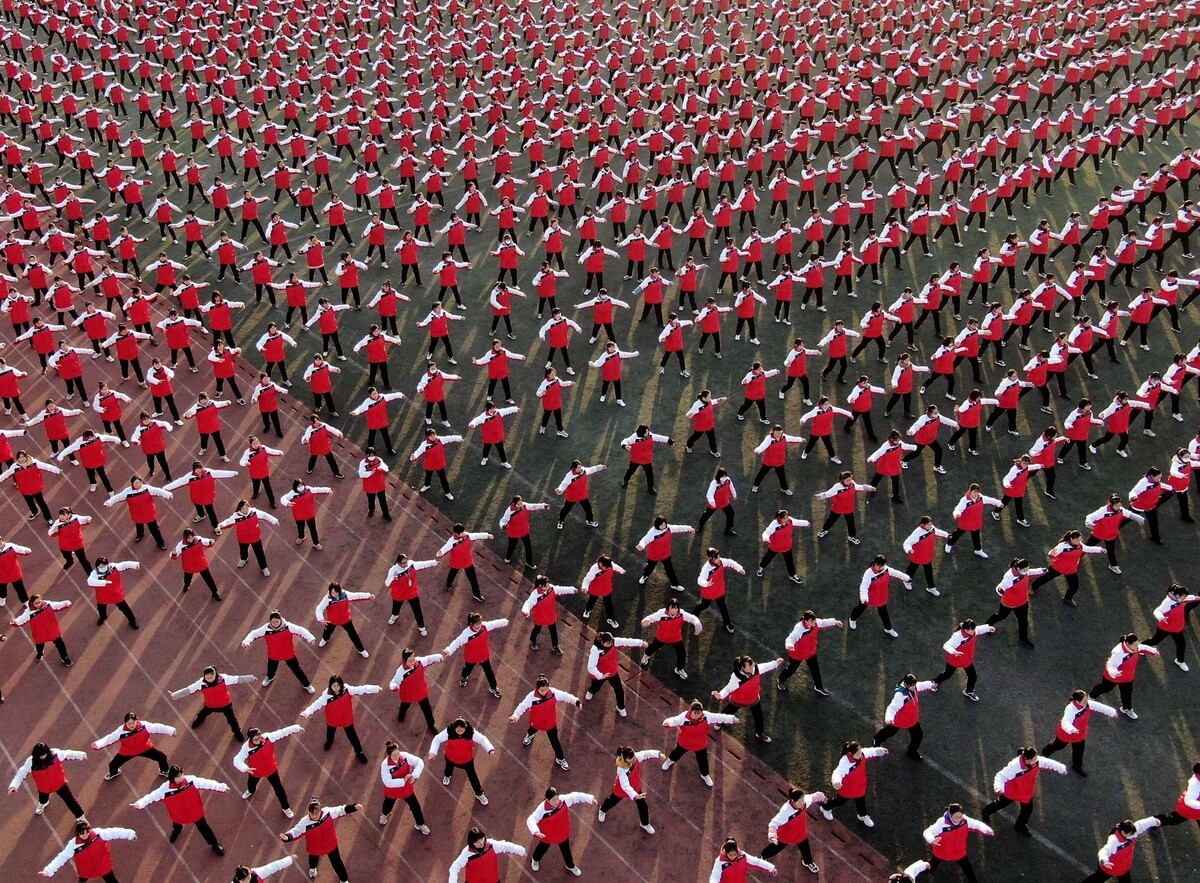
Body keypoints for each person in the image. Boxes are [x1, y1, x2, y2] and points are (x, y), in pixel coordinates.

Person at [131, 764, 228, 855]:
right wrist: (139, 803)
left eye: (182, 774)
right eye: (178, 776)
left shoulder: (191, 781)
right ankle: (177, 831)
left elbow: (207, 783)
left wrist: (221, 787)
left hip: (195, 811)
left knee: (205, 829)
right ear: (172, 777)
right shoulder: (165, 789)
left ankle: (215, 845)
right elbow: (152, 796)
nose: (181, 777)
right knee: (177, 825)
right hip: (178, 815)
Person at [981, 747, 1068, 833]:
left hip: (1026, 792)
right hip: (1012, 791)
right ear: (1027, 760)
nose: (1037, 760)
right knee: (1001, 803)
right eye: (1034, 759)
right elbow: (1001, 776)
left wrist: (1062, 769)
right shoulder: (1015, 766)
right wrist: (998, 787)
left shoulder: (1036, 761)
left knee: (1027, 810)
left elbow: (1049, 763)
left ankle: (1020, 825)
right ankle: (987, 811)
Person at [299, 675, 380, 763]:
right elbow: (316, 705)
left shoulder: (347, 689)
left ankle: (359, 752)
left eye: (338, 685)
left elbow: (361, 689)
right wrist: (306, 713)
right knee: (330, 733)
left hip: (347, 720)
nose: (336, 688)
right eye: (334, 686)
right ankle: (329, 741)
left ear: (341, 685)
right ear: (330, 685)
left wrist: (375, 688)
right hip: (333, 720)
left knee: (353, 737)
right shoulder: (326, 696)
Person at [280, 799, 362, 883]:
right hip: (314, 846)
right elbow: (296, 831)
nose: (314, 816)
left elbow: (340, 810)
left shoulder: (328, 812)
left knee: (337, 863)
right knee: (313, 859)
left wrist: (353, 807)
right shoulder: (304, 822)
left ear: (320, 810)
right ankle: (312, 868)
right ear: (309, 812)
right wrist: (287, 837)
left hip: (331, 844)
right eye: (312, 813)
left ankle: (344, 880)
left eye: (316, 813)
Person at [510, 675, 583, 770]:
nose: (544, 692)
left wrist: (576, 701)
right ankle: (529, 735)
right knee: (532, 730)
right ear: (537, 688)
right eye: (542, 690)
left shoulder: (553, 693)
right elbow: (522, 707)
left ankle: (560, 758)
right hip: (536, 721)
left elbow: (565, 696)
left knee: (555, 741)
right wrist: (515, 716)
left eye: (546, 690)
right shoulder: (531, 697)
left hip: (550, 723)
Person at [661, 700, 738, 787]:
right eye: (695, 713)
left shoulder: (706, 716)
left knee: (703, 760)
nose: (697, 715)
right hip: (685, 742)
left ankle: (705, 775)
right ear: (691, 711)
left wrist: (732, 719)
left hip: (700, 744)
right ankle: (669, 761)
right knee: (677, 753)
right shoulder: (683, 717)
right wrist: (668, 722)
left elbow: (718, 717)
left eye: (699, 713)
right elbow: (673, 720)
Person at [233, 725, 302, 819]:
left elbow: (282, 732)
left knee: (279, 790)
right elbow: (237, 760)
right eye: (255, 739)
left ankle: (286, 808)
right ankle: (250, 791)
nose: (258, 741)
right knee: (251, 784)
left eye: (259, 738)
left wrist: (297, 728)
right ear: (250, 739)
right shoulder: (246, 748)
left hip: (271, 769)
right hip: (256, 771)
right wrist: (245, 768)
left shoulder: (267, 737)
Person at [169, 666, 255, 741]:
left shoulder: (223, 679)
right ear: (204, 676)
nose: (209, 679)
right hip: (210, 705)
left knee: (232, 720)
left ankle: (237, 732)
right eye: (207, 678)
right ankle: (198, 721)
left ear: (215, 674)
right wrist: (175, 695)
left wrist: (251, 678)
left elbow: (237, 679)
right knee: (202, 714)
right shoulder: (201, 683)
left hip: (225, 704)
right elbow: (189, 689)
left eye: (211, 677)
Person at [712, 654, 785, 743]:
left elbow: (765, 666)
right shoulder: (736, 678)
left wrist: (775, 663)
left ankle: (759, 733)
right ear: (742, 668)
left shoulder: (755, 669)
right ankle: (719, 721)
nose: (752, 667)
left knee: (759, 718)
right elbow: (728, 689)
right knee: (728, 712)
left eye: (752, 664)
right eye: (749, 666)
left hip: (753, 699)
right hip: (738, 700)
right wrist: (720, 695)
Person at [7, 742, 87, 819]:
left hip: (60, 784)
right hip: (43, 788)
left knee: (70, 801)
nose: (43, 757)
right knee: (43, 799)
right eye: (40, 755)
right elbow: (21, 773)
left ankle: (80, 816)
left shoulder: (55, 754)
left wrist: (81, 755)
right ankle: (43, 803)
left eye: (44, 754)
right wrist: (14, 786)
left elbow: (68, 754)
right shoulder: (31, 762)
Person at [240, 610, 316, 691]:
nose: (275, 623)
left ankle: (306, 684)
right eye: (273, 622)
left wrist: (310, 638)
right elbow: (254, 633)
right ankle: (270, 677)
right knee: (271, 669)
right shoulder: (265, 629)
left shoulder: (288, 626)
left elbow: (301, 630)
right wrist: (247, 641)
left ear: (280, 619)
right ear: (270, 621)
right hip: (273, 654)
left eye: (277, 621)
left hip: (288, 654)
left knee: (297, 670)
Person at [1088, 634, 1160, 719]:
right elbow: (1110, 664)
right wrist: (1114, 673)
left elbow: (1142, 647)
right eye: (1135, 645)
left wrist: (1153, 651)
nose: (1137, 647)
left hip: (1127, 677)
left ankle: (1126, 708)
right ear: (1128, 644)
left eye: (1137, 644)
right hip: (1114, 677)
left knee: (1127, 693)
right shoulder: (1119, 653)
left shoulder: (1135, 647)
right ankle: (1091, 696)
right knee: (1105, 688)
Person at [526, 787, 595, 875]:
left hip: (562, 833)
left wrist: (590, 799)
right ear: (547, 800)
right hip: (548, 835)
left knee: (566, 851)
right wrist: (536, 831)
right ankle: (535, 859)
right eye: (554, 800)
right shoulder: (542, 809)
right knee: (542, 848)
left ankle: (570, 865)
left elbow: (576, 796)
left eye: (557, 798)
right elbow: (531, 819)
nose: (556, 801)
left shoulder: (563, 800)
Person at [40, 819, 137, 881]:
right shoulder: (73, 845)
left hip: (103, 866)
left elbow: (115, 832)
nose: (85, 835)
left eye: (86, 832)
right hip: (86, 871)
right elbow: (62, 857)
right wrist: (49, 870)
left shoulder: (99, 834)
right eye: (82, 833)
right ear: (78, 834)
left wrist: (130, 834)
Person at [820, 741, 889, 827]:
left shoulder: (861, 754)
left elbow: (870, 751)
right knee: (839, 801)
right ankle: (825, 808)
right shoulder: (845, 762)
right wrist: (836, 781)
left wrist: (881, 750)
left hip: (859, 786)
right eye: (857, 753)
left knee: (861, 802)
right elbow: (838, 772)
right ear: (850, 753)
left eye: (860, 751)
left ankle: (862, 815)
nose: (860, 754)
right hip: (848, 788)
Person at [597, 746, 665, 833]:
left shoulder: (635, 757)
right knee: (612, 801)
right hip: (621, 790)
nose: (633, 761)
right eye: (630, 760)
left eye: (633, 758)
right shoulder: (621, 769)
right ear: (624, 759)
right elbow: (625, 785)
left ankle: (644, 823)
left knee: (643, 805)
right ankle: (602, 810)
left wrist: (658, 754)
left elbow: (646, 754)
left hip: (635, 787)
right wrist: (635, 795)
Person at [428, 717, 495, 804]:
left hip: (466, 760)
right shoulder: (449, 731)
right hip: (451, 757)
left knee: (473, 777)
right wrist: (433, 752)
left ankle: (479, 793)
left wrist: (490, 749)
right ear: (454, 728)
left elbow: (482, 739)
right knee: (448, 768)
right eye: (458, 731)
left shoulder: (471, 732)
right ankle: (447, 776)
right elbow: (437, 739)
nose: (460, 732)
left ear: (465, 728)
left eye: (462, 731)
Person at [921, 803, 993, 883]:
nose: (959, 819)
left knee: (968, 870)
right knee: (931, 868)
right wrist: (932, 840)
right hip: (941, 853)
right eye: (956, 817)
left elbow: (976, 824)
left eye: (960, 817)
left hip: (959, 852)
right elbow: (928, 832)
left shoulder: (964, 820)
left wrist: (986, 829)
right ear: (950, 815)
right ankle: (916, 871)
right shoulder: (941, 823)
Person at [762, 786, 827, 874]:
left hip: (801, 833)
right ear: (792, 801)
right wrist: (772, 836)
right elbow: (774, 824)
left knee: (805, 848)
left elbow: (814, 797)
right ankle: (763, 856)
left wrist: (823, 797)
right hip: (785, 836)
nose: (803, 803)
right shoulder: (786, 811)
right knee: (776, 848)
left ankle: (808, 862)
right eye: (800, 802)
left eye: (803, 800)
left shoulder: (805, 801)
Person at [1077, 817, 1161, 883]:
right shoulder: (1114, 841)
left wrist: (1156, 821)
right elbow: (1104, 851)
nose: (1133, 835)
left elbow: (1145, 823)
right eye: (1130, 834)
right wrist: (1104, 862)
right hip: (1110, 868)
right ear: (1123, 833)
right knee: (1096, 880)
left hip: (1123, 868)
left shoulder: (1132, 830)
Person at [444, 612, 509, 697]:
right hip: (471, 657)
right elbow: (457, 642)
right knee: (467, 669)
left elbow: (494, 623)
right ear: (472, 624)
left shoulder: (485, 626)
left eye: (480, 622)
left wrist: (504, 622)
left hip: (484, 656)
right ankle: (464, 678)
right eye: (477, 623)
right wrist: (449, 650)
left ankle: (493, 687)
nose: (480, 625)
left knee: (489, 672)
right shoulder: (466, 634)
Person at [778, 611, 842, 695]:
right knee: (791, 669)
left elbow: (824, 622)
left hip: (810, 652)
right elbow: (791, 638)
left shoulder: (815, 623)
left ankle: (819, 687)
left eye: (814, 620)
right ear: (806, 621)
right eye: (812, 621)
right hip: (798, 654)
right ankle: (780, 680)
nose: (814, 622)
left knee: (815, 670)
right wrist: (789, 645)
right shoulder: (799, 629)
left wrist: (835, 622)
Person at [986, 558, 1046, 648]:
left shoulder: (1024, 572)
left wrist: (1042, 570)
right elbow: (1001, 586)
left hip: (1022, 602)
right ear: (1018, 569)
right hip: (1009, 603)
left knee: (1023, 621)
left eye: (1027, 569)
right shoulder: (1009, 577)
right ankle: (987, 626)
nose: (1027, 571)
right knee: (1001, 616)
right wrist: (1000, 590)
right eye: (1025, 570)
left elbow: (1031, 572)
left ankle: (1023, 639)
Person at [585, 631, 647, 718]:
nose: (611, 644)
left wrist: (640, 643)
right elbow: (591, 667)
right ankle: (591, 691)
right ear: (601, 642)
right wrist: (600, 675)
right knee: (596, 687)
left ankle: (621, 707)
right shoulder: (595, 650)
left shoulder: (613, 642)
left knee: (619, 690)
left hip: (612, 672)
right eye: (608, 643)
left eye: (611, 642)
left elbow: (626, 641)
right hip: (600, 674)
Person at [873, 674, 936, 760]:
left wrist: (931, 684)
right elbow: (892, 708)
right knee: (890, 732)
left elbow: (922, 685)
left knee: (918, 735)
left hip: (911, 719)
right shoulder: (901, 695)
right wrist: (889, 718)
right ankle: (877, 740)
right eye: (912, 686)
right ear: (907, 685)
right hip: (900, 720)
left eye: (914, 685)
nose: (914, 687)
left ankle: (911, 751)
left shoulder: (913, 687)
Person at [932, 619, 996, 701]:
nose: (974, 632)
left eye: (974, 630)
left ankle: (969, 691)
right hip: (954, 660)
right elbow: (946, 645)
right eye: (972, 630)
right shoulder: (958, 636)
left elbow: (978, 629)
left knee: (973, 676)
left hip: (966, 660)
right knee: (947, 674)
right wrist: (954, 652)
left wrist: (988, 628)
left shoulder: (972, 631)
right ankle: (935, 682)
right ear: (966, 630)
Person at [641, 598, 703, 679]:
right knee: (652, 647)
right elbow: (651, 618)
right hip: (661, 636)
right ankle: (646, 655)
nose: (674, 610)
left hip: (675, 637)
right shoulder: (661, 613)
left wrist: (697, 624)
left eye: (675, 608)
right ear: (668, 608)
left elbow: (692, 618)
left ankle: (679, 669)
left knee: (682, 654)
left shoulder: (682, 614)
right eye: (672, 608)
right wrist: (645, 621)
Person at [849, 556, 911, 637]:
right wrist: (864, 597)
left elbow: (895, 573)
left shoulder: (885, 569)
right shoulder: (868, 573)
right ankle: (852, 618)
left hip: (881, 596)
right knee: (860, 608)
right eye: (882, 565)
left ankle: (888, 628)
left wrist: (906, 578)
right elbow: (864, 586)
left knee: (884, 613)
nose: (884, 567)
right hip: (869, 597)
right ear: (876, 565)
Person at [1143, 584, 1200, 670]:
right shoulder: (1167, 603)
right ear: (1178, 596)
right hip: (1165, 627)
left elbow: (1189, 598)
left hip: (1177, 628)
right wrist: (1161, 617)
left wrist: (1196, 598)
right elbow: (1157, 611)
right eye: (1184, 595)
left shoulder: (1181, 599)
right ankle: (1140, 647)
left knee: (1181, 644)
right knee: (1155, 640)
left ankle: (1180, 661)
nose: (1185, 597)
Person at [377, 740, 428, 833]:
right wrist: (403, 781)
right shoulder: (385, 765)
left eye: (398, 753)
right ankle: (384, 815)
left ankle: (420, 824)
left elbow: (419, 762)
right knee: (388, 804)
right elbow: (387, 781)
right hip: (392, 791)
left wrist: (414, 776)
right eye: (394, 755)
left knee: (415, 806)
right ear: (389, 755)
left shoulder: (405, 756)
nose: (397, 757)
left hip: (406, 789)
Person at [389, 649, 444, 733]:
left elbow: (428, 659)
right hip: (408, 695)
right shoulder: (400, 672)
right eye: (410, 661)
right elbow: (394, 681)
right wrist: (394, 686)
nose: (412, 662)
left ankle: (431, 726)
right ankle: (401, 716)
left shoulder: (419, 661)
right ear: (404, 660)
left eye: (413, 659)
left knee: (427, 710)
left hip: (421, 693)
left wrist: (437, 657)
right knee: (404, 706)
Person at [218, 500, 279, 576]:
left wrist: (274, 520)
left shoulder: (254, 512)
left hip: (255, 537)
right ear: (239, 509)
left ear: (249, 507)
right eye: (243, 508)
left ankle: (264, 567)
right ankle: (244, 559)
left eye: (246, 508)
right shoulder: (235, 517)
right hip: (243, 539)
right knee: (243, 550)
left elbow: (265, 515)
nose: (245, 510)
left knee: (259, 553)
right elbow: (227, 522)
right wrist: (221, 525)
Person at [437, 523, 493, 603]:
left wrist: (487, 535)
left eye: (464, 531)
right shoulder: (451, 542)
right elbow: (445, 548)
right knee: (452, 574)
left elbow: (476, 535)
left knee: (473, 579)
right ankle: (449, 584)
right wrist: (440, 552)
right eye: (462, 532)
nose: (464, 533)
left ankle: (477, 595)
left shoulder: (467, 536)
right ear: (456, 534)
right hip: (456, 562)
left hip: (467, 561)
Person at [10, 595, 73, 665]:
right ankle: (40, 653)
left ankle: (65, 658)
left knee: (60, 644)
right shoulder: (28, 612)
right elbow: (21, 619)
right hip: (39, 633)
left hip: (52, 630)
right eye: (36, 603)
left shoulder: (48, 604)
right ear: (32, 603)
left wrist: (65, 603)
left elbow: (58, 605)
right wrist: (15, 621)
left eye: (39, 602)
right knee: (39, 646)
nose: (38, 604)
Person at [315, 582, 374, 658]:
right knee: (328, 631)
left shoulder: (345, 595)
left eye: (336, 592)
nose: (334, 594)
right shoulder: (327, 599)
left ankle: (361, 650)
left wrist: (368, 596)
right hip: (332, 620)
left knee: (353, 635)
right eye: (332, 592)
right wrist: (320, 619)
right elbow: (319, 608)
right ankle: (325, 639)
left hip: (345, 619)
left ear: (339, 591)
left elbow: (357, 596)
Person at [694, 548, 746, 634]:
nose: (719, 559)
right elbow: (700, 579)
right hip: (709, 593)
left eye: (718, 557)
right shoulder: (706, 568)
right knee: (704, 605)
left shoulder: (721, 562)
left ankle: (727, 623)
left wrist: (739, 568)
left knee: (723, 607)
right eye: (717, 558)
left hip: (719, 590)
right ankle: (694, 616)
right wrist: (706, 583)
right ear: (711, 558)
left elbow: (730, 562)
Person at [636, 516, 695, 589]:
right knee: (650, 567)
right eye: (661, 525)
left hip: (665, 554)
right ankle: (645, 576)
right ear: (657, 525)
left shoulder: (669, 528)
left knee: (669, 569)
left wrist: (689, 528)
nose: (663, 526)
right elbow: (645, 540)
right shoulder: (652, 533)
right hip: (654, 555)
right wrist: (641, 545)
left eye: (665, 524)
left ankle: (674, 584)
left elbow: (678, 528)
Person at [522, 576, 578, 654]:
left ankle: (555, 646)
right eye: (546, 586)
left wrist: (572, 589)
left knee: (553, 632)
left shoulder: (551, 589)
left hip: (550, 616)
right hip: (540, 617)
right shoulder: (535, 595)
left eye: (548, 585)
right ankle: (532, 640)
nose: (548, 587)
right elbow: (529, 603)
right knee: (537, 630)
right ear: (540, 586)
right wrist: (525, 611)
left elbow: (561, 589)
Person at [448, 828, 527, 883]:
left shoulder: (491, 845)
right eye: (477, 841)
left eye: (481, 839)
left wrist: (521, 851)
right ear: (472, 843)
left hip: (493, 881)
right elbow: (455, 868)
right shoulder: (466, 854)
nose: (481, 843)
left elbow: (506, 846)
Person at [815, 472, 875, 542]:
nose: (849, 481)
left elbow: (859, 487)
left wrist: (869, 488)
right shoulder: (837, 487)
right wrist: (821, 496)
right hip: (837, 509)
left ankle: (851, 536)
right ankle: (824, 530)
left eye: (850, 479)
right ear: (842, 480)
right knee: (831, 520)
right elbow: (828, 493)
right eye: (847, 480)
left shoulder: (852, 484)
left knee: (851, 523)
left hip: (849, 508)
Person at [384, 554, 436, 632]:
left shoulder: (411, 564)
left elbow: (422, 564)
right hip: (399, 593)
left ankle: (421, 627)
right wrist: (394, 579)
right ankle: (394, 615)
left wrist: (433, 562)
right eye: (403, 563)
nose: (405, 564)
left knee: (417, 610)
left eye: (406, 562)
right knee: (396, 606)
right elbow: (387, 584)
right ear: (398, 563)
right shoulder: (393, 570)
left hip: (411, 591)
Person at [757, 509, 809, 583]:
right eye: (785, 518)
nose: (787, 519)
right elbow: (767, 532)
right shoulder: (774, 525)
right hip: (775, 547)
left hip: (786, 546)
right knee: (768, 558)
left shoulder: (790, 521)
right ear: (780, 519)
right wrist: (765, 538)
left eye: (787, 517)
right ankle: (761, 567)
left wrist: (807, 523)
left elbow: (798, 522)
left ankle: (792, 575)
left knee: (789, 561)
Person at [281, 479, 332, 550]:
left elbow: (318, 490)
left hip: (309, 514)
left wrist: (328, 490)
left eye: (301, 485)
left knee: (313, 529)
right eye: (298, 486)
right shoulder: (292, 494)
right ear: (295, 486)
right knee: (300, 527)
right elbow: (283, 499)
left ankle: (316, 543)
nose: (300, 487)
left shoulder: (309, 489)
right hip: (299, 515)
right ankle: (301, 537)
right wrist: (287, 503)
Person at [499, 495, 549, 566]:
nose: (520, 505)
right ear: (513, 503)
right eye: (518, 504)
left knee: (528, 547)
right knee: (512, 546)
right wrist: (503, 526)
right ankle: (508, 557)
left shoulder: (524, 505)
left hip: (524, 531)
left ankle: (529, 562)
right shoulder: (509, 511)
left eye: (521, 503)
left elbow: (533, 506)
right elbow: (503, 520)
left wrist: (544, 506)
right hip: (513, 533)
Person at [554, 461, 605, 529]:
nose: (580, 468)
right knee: (566, 509)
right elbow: (563, 484)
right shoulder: (569, 476)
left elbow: (592, 469)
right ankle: (560, 521)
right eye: (578, 468)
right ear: (573, 468)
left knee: (588, 508)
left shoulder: (584, 470)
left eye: (580, 466)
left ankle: (589, 521)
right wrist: (560, 490)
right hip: (572, 497)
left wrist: (600, 467)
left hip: (582, 495)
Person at [581, 555, 625, 628]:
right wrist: (584, 587)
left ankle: (610, 619)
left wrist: (621, 570)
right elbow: (587, 579)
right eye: (606, 568)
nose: (608, 569)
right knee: (591, 600)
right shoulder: (594, 569)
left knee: (609, 605)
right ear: (601, 564)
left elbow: (615, 566)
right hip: (595, 589)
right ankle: (588, 610)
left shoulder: (609, 565)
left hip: (606, 589)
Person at [1154, 761, 1200, 830]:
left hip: (1196, 810)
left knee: (1173, 819)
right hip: (1188, 808)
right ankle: (1153, 822)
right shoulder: (1195, 784)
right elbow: (1189, 801)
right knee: (1173, 820)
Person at [709, 838, 778, 882]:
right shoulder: (720, 862)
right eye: (730, 855)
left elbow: (756, 862)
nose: (733, 857)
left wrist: (771, 868)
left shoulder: (743, 856)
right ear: (726, 853)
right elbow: (715, 876)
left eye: (735, 854)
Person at [698, 466, 738, 536]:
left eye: (725, 476)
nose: (724, 478)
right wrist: (712, 502)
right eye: (723, 476)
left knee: (731, 514)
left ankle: (728, 529)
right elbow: (709, 493)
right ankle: (700, 525)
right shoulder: (714, 483)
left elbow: (731, 487)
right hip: (715, 503)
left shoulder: (728, 480)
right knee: (706, 515)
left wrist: (734, 495)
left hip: (724, 501)